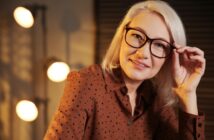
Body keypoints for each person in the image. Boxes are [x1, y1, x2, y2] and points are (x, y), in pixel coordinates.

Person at [44, 0, 206, 140]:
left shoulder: (158, 103)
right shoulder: (87, 82)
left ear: (170, 57)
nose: (142, 53)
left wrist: (188, 94)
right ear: (122, 36)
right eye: (137, 36)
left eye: (159, 45)